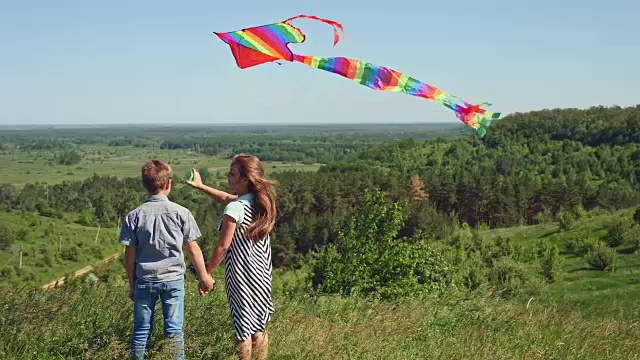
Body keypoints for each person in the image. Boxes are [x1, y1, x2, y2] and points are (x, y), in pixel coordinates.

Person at [119, 159, 215, 360]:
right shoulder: (181, 213)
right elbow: (192, 249)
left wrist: (131, 284)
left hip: (144, 280)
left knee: (141, 332)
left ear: (145, 185)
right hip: (173, 280)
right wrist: (204, 276)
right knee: (174, 332)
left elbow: (130, 256)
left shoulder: (133, 216)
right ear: (167, 184)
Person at [186, 154, 276, 360]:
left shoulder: (235, 208)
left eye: (232, 174)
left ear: (245, 179)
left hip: (241, 276)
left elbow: (223, 246)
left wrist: (206, 274)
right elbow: (226, 197)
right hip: (262, 274)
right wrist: (201, 186)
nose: (228, 177)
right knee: (258, 329)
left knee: (243, 330)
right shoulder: (262, 202)